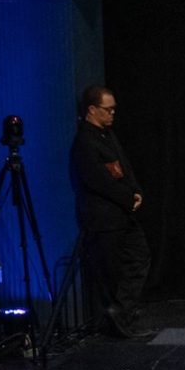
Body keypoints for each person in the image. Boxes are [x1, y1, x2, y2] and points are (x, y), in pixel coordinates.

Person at [69, 82, 153, 340]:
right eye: (108, 109)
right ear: (92, 110)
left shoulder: (109, 136)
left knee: (139, 258)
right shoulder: (85, 142)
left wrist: (136, 191)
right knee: (111, 270)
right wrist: (127, 198)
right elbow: (98, 180)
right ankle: (116, 320)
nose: (112, 113)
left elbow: (124, 167)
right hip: (104, 218)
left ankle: (121, 312)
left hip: (122, 215)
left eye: (114, 109)